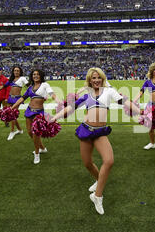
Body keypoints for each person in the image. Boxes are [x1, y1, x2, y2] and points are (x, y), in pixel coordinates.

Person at [51, 67, 140, 215]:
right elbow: (70, 108)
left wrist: (140, 111)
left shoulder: (109, 91)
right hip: (86, 130)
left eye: (99, 77)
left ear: (103, 78)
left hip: (100, 132)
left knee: (109, 161)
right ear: (90, 80)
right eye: (93, 78)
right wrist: (54, 118)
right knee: (87, 163)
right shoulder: (87, 95)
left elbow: (125, 102)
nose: (97, 80)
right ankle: (99, 181)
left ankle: (97, 196)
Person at [11, 69, 62, 164]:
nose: (36, 76)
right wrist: (13, 107)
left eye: (38, 74)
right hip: (29, 111)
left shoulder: (45, 85)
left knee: (36, 133)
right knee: (30, 132)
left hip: (39, 113)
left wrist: (58, 101)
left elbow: (52, 94)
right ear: (31, 76)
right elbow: (22, 98)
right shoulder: (30, 87)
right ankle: (42, 148)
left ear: (41, 76)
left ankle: (37, 154)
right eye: (34, 74)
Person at [0, 66, 28, 140]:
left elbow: (29, 86)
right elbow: (2, 87)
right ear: (13, 71)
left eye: (17, 71)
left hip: (17, 99)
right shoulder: (11, 79)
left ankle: (12, 131)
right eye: (15, 70)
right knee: (11, 116)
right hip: (10, 98)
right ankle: (20, 130)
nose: (16, 72)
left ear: (20, 72)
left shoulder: (22, 78)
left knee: (13, 115)